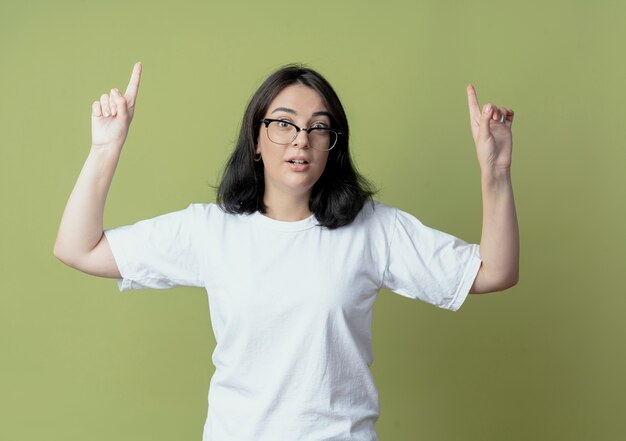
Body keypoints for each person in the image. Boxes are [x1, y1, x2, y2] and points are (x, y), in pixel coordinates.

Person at [54, 62, 519, 441]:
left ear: (332, 146)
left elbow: (495, 270)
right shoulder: (211, 231)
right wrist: (105, 148)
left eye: (319, 128)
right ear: (255, 139)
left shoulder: (372, 229)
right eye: (283, 124)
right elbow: (78, 248)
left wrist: (495, 173)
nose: (302, 138)